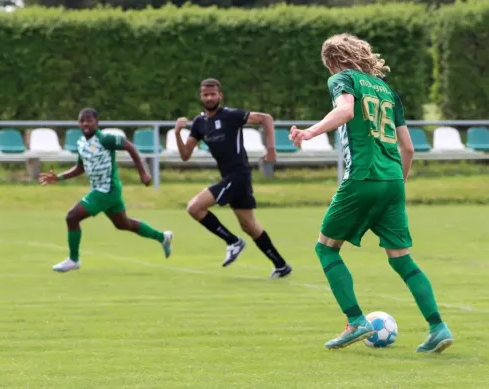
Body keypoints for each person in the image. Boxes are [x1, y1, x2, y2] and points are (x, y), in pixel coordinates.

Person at [289, 34, 453, 353]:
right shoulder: (388, 91)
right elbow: (408, 147)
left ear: (333, 61)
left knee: (326, 249)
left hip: (363, 177)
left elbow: (346, 111)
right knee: (402, 259)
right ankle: (438, 327)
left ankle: (355, 321)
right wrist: (398, 185)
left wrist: (310, 132)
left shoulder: (343, 78)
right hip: (393, 180)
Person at [173, 78, 292, 278]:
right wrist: (177, 133)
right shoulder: (200, 123)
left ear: (220, 96)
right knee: (249, 226)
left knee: (194, 207)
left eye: (213, 94)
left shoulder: (231, 115)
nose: (209, 98)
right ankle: (281, 265)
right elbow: (185, 155)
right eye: (205, 94)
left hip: (238, 175)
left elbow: (266, 119)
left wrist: (271, 150)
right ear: (200, 96)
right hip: (230, 177)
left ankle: (233, 241)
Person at [38, 108, 173, 272]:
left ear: (97, 122)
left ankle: (73, 259)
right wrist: (59, 177)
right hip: (102, 190)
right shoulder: (81, 143)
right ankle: (163, 237)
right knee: (123, 224)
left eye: (89, 120)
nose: (85, 124)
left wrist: (143, 172)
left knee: (72, 217)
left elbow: (129, 146)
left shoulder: (105, 139)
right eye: (82, 120)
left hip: (107, 190)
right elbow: (81, 167)